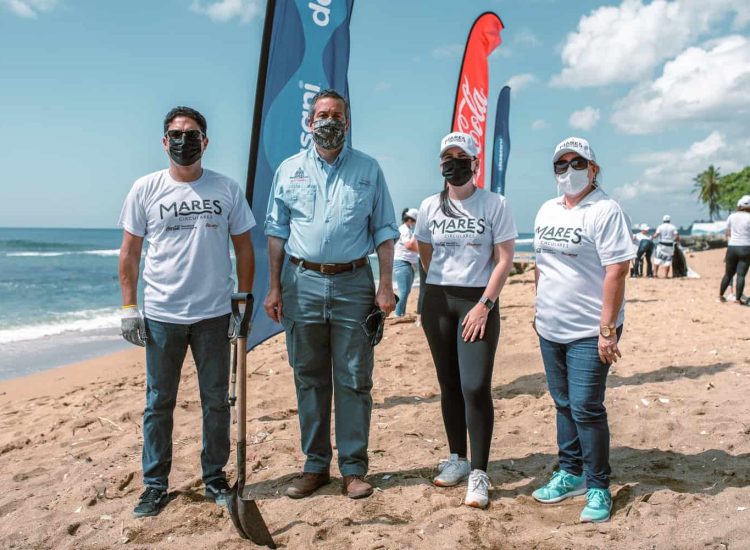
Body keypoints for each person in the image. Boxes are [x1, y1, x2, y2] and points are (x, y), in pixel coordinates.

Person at [118, 106, 256, 518]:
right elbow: (130, 253)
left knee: (216, 402)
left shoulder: (227, 189)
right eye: (176, 134)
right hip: (162, 315)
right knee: (159, 403)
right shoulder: (145, 189)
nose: (183, 140)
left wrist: (243, 301)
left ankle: (214, 477)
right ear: (164, 142)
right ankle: (154, 485)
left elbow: (244, 248)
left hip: (214, 315)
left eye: (192, 134)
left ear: (205, 141)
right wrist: (129, 308)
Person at [264, 89, 399, 500]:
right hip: (300, 282)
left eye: (336, 114)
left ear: (348, 121)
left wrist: (386, 284)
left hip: (354, 283)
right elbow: (276, 232)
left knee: (355, 378)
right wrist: (273, 286)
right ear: (310, 123)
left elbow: (385, 231)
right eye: (321, 114)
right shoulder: (288, 170)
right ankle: (314, 466)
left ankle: (354, 469)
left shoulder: (368, 170)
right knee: (309, 376)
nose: (328, 120)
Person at [531, 136, 635, 523]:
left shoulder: (605, 210)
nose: (569, 171)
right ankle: (569, 472)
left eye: (578, 163)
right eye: (562, 164)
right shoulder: (546, 210)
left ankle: (597, 485)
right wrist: (537, 307)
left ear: (593, 169)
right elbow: (541, 264)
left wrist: (607, 329)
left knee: (587, 407)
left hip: (589, 332)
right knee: (562, 403)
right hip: (550, 327)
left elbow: (617, 270)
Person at [415, 131, 517, 509]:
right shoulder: (429, 206)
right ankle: (457, 457)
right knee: (449, 383)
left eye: (462, 156)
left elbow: (504, 259)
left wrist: (484, 304)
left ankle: (479, 471)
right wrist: (440, 290)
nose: (454, 162)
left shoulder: (495, 204)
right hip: (438, 301)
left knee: (475, 385)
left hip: (478, 302)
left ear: (475, 162)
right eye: (448, 156)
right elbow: (426, 253)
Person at [719, 195, 750, 304]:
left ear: (740, 205)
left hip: (732, 247)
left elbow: (727, 233)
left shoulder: (732, 216)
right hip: (746, 248)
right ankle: (737, 299)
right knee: (741, 275)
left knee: (728, 274)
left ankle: (720, 296)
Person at [393, 208, 420, 317]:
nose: (414, 224)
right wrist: (423, 252)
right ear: (409, 220)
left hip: (408, 263)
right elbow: (408, 245)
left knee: (407, 291)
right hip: (402, 263)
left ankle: (402, 313)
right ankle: (398, 314)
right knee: (404, 291)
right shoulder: (403, 229)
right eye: (414, 221)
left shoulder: (408, 230)